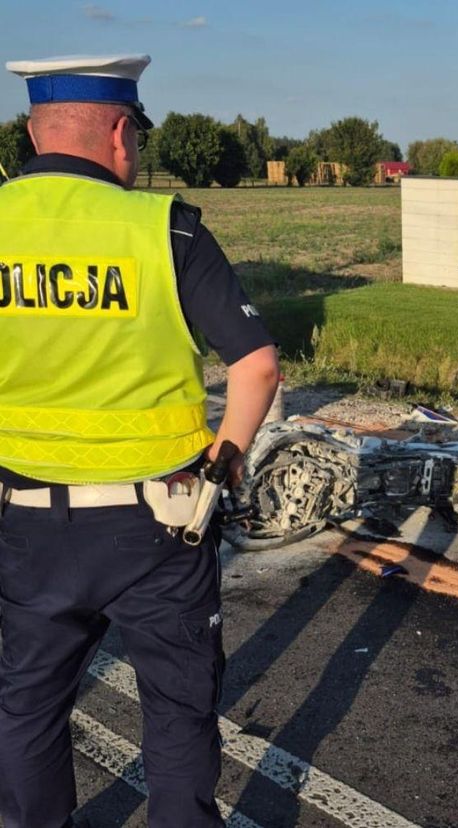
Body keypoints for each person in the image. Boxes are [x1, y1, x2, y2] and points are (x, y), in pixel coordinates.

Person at [0, 55, 279, 827]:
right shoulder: (167, 229)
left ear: (33, 130)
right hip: (162, 520)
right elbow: (256, 366)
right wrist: (221, 470)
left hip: (24, 520)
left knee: (26, 703)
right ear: (121, 131)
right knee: (177, 705)